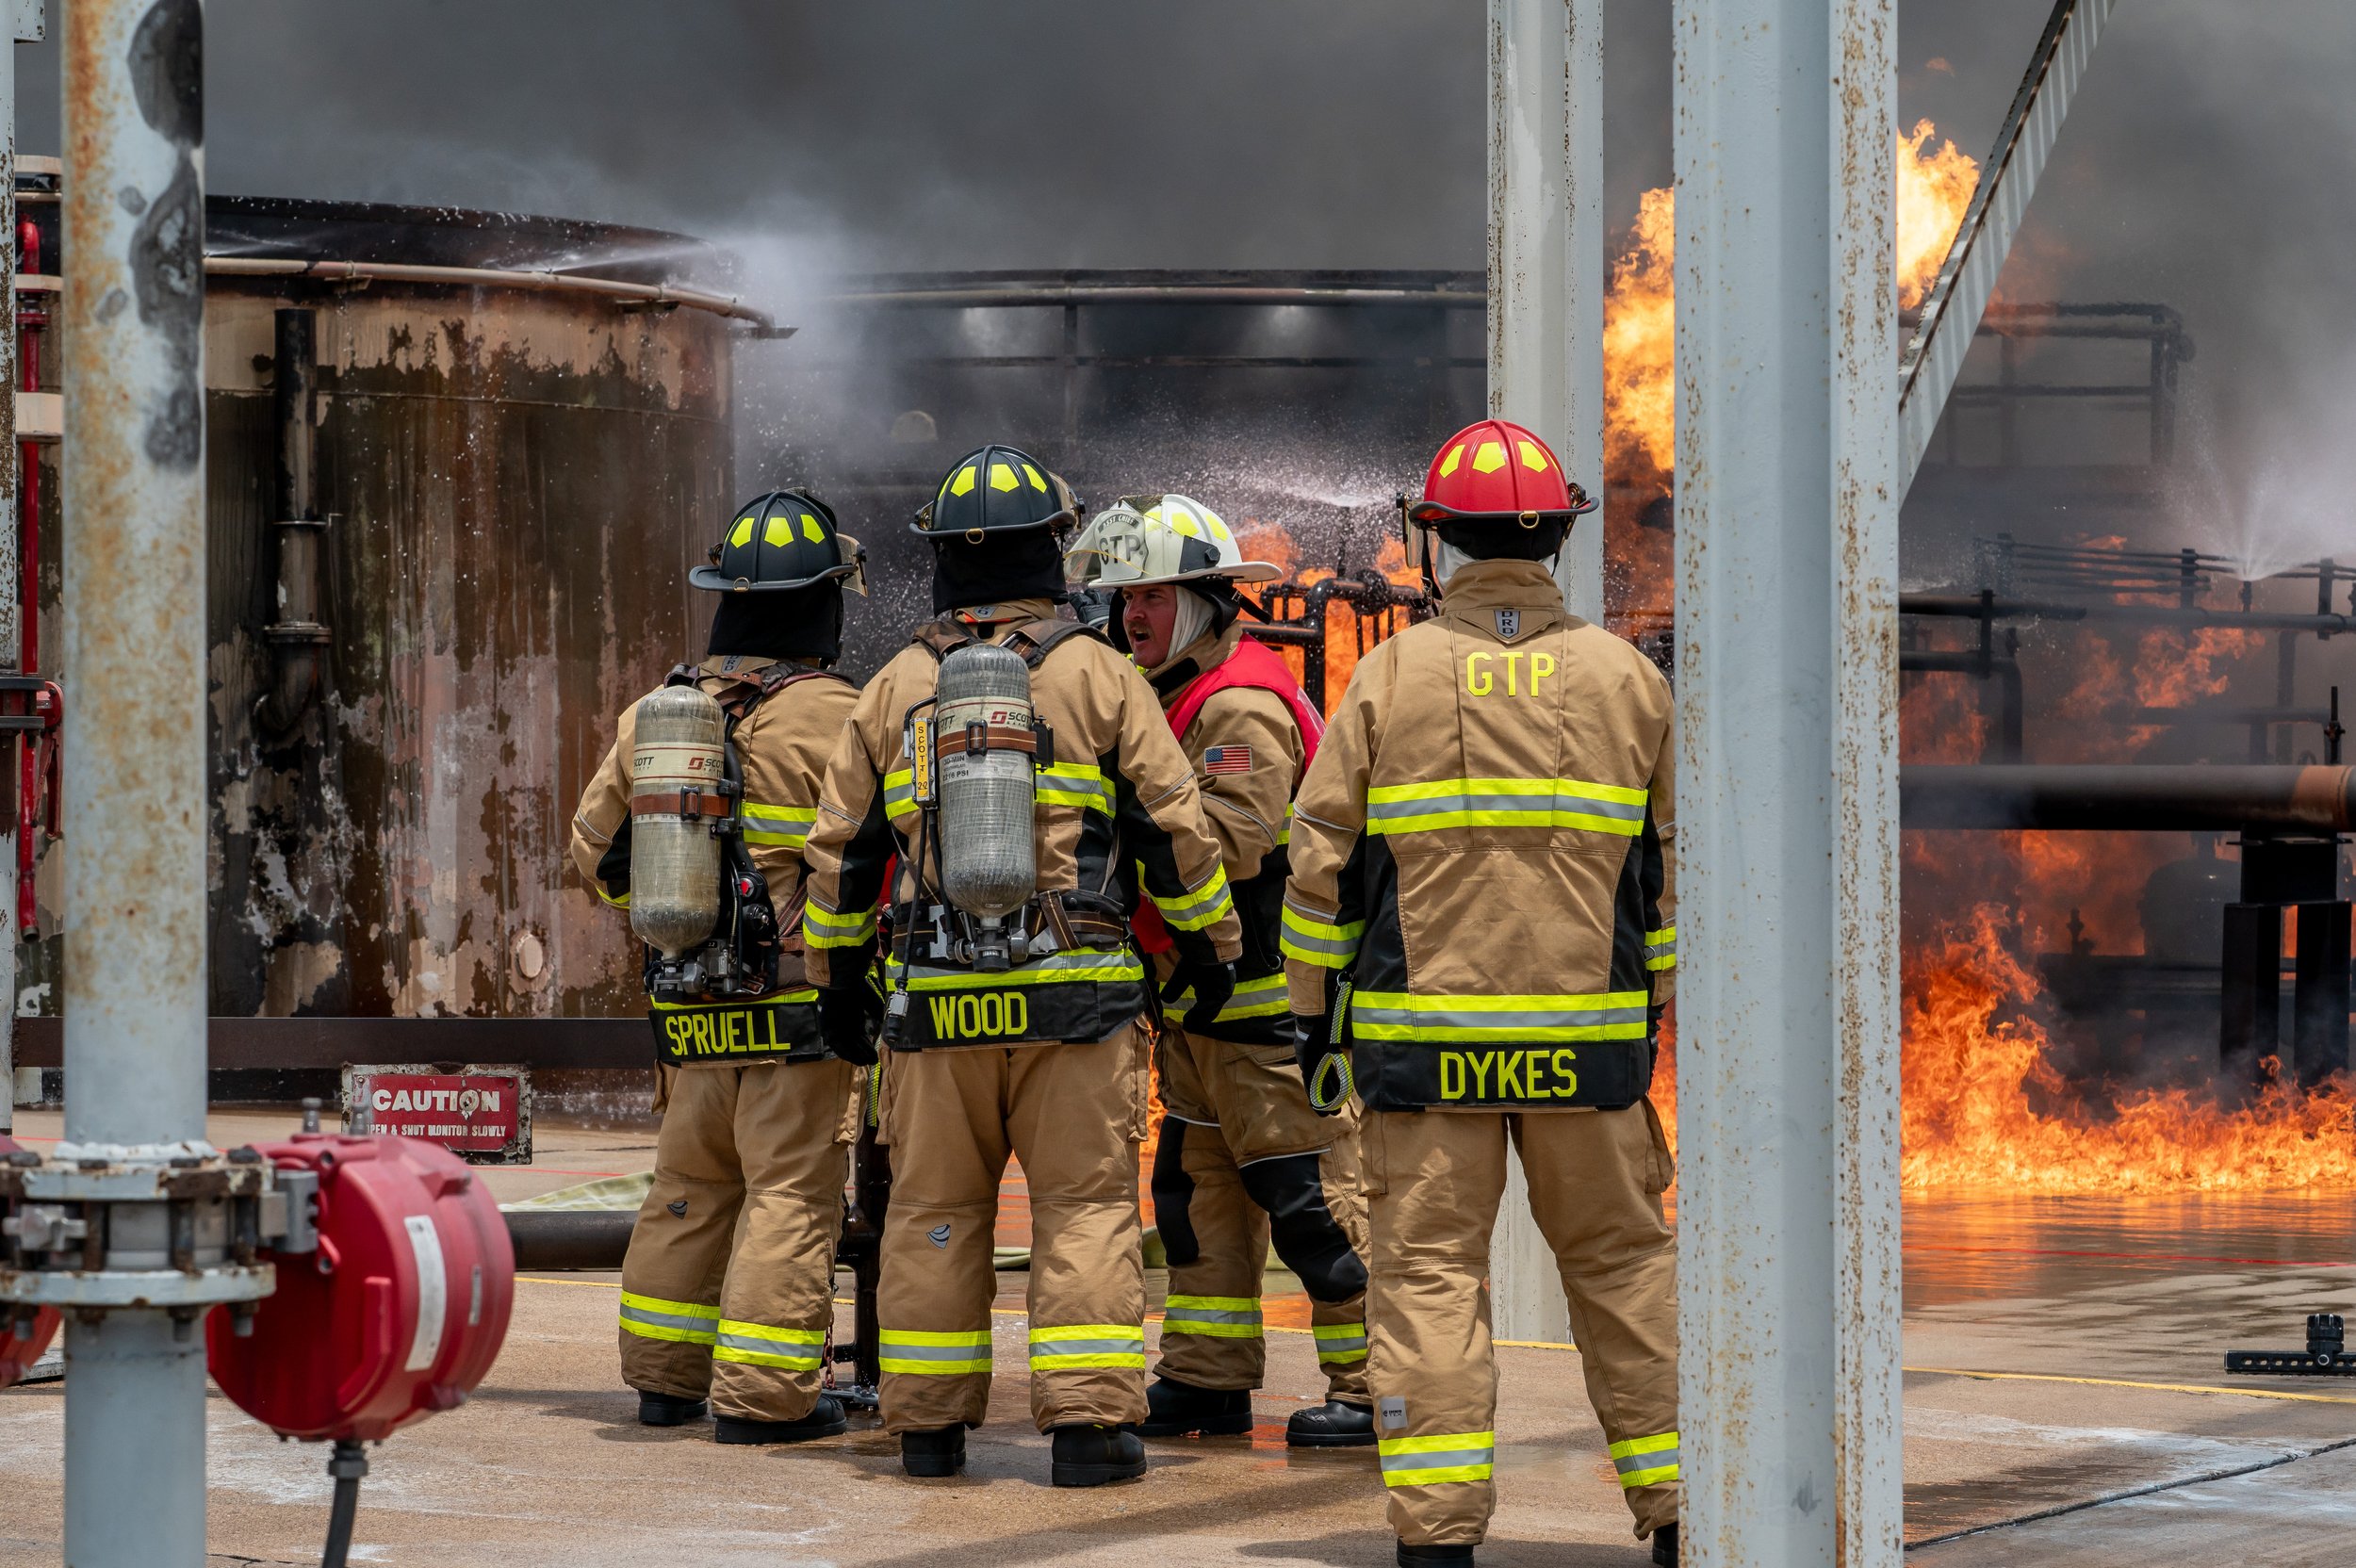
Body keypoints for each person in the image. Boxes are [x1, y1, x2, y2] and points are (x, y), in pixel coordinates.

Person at [799, 444, 1243, 1488]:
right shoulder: (1098, 672)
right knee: (1083, 1209)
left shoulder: (896, 684)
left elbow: (841, 854)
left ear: (943, 559)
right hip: (1075, 999)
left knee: (932, 1213)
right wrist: (1209, 953)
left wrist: (839, 983)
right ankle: (1088, 1428)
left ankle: (927, 1426)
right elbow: (1173, 828)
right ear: (1056, 546)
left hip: (935, 1004)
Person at [1283, 420, 1681, 1567]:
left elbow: (1317, 867)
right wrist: (1651, 1003)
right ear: (1557, 531)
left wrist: (1314, 1021)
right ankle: (1676, 1510)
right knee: (1619, 1270)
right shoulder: (1626, 679)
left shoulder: (1389, 674)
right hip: (1590, 1057)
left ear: (1439, 537)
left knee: (1426, 1279)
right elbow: (1675, 867)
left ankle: (1438, 1537)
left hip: (1423, 1057)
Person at [1064, 495, 1375, 1448]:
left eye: (1152, 595)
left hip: (1268, 1011)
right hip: (1200, 1016)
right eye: (1123, 601)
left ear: (1201, 600)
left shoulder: (1239, 700)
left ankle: (1374, 1390)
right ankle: (1205, 1375)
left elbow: (1234, 845)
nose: (1132, 618)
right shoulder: (1162, 696)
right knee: (1198, 1203)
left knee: (1314, 1202)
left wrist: (1109, 808)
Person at [568, 489, 870, 1445]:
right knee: (789, 1189)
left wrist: (673, 924)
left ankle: (663, 1379)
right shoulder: (842, 714)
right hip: (797, 1005)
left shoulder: (661, 713)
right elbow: (882, 851)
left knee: (689, 1184)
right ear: (822, 602)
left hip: (691, 1001)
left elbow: (592, 852)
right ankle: (764, 1395)